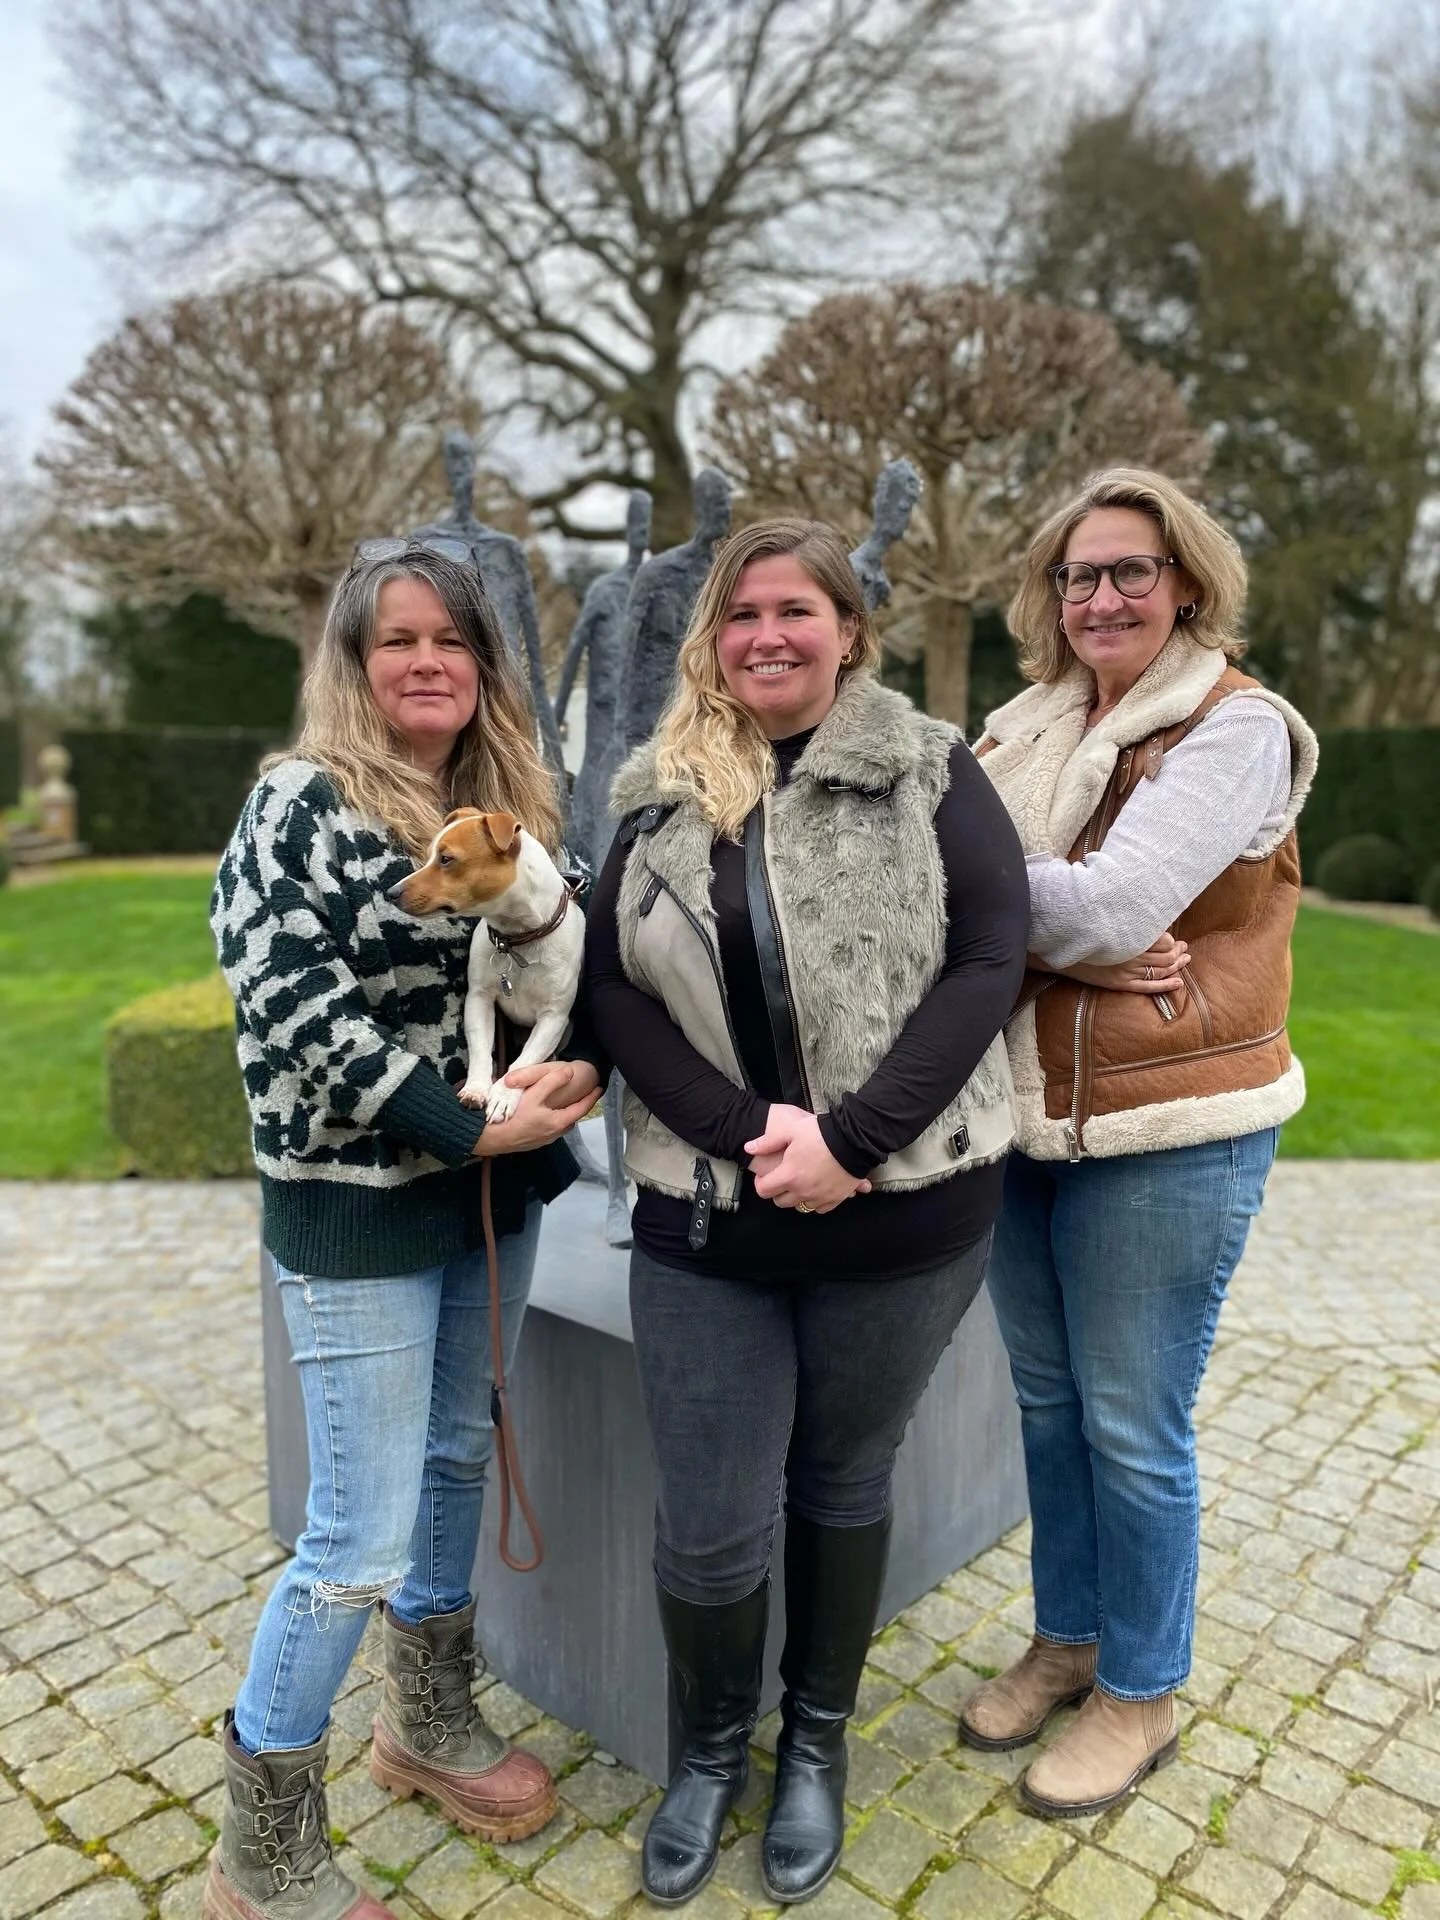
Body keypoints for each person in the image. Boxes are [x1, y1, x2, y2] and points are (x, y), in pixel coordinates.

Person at [584, 518, 1029, 1905]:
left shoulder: (929, 771)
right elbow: (608, 993)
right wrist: (741, 1134)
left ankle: (816, 1745)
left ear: (848, 627)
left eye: (796, 609)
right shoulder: (653, 791)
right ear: (710, 639)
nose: (767, 635)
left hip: (902, 1222)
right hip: (709, 1222)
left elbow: (987, 959)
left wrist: (852, 1143)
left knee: (842, 1484)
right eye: (740, 614)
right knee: (711, 1522)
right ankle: (712, 1753)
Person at [207, 545, 601, 1920]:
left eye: (451, 640)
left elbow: (575, 948)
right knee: (354, 1538)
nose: (426, 661)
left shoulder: (508, 804)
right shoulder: (297, 805)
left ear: (484, 663)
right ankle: (259, 1850)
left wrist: (583, 1069)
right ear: (355, 663)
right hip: (357, 1208)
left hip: (493, 1195)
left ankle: (425, 1726)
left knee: (453, 1459)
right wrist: (453, 1118)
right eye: (396, 641)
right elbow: (288, 1003)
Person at [968, 468, 1318, 1818]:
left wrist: (1018, 909)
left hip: (1167, 1130)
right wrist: (1065, 931)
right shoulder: (1025, 728)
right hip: (1023, 1120)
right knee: (1049, 1413)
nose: (1101, 595)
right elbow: (973, 896)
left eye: (1129, 570)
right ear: (1050, 599)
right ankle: (1070, 1639)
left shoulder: (1234, 730)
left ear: (1186, 584)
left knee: (1131, 1421)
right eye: (1078, 574)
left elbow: (1112, 909)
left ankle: (1142, 1691)